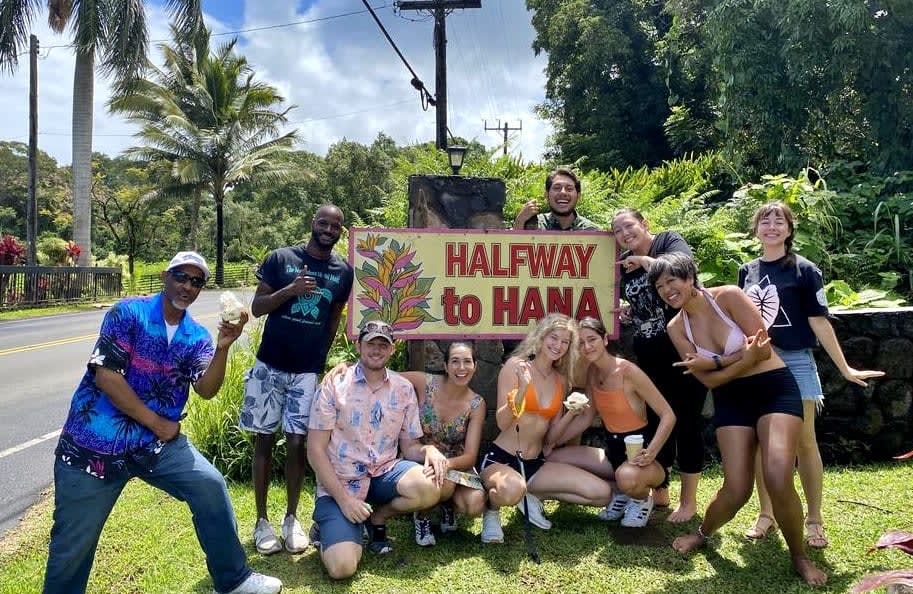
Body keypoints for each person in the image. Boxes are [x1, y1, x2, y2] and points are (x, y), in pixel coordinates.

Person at [44, 252, 281, 594]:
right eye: (181, 277)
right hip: (93, 445)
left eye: (196, 281)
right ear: (165, 276)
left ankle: (233, 580)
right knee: (73, 543)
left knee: (209, 486)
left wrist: (223, 348)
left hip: (154, 446)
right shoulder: (129, 312)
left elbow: (206, 388)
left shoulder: (195, 336)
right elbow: (107, 377)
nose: (187, 286)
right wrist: (157, 422)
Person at [649, 252, 827, 586]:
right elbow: (713, 383)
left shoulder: (728, 296)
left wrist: (716, 363)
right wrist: (736, 361)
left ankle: (799, 556)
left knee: (777, 474)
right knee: (736, 488)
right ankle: (702, 533)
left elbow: (762, 348)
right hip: (731, 399)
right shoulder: (676, 327)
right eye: (659, 286)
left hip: (774, 387)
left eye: (672, 280)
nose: (666, 290)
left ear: (690, 277)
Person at [738, 201, 884, 547]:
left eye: (779, 221)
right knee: (761, 444)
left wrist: (845, 367)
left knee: (804, 442)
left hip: (797, 362)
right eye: (764, 221)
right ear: (756, 229)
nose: (771, 226)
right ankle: (766, 514)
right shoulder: (747, 270)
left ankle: (814, 519)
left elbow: (819, 321)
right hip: (758, 364)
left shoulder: (804, 270)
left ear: (789, 230)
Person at [241, 204, 354, 555]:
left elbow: (333, 320)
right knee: (263, 440)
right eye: (323, 222)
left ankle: (291, 519)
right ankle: (262, 521)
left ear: (340, 231)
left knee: (297, 443)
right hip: (269, 365)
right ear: (312, 223)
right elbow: (258, 308)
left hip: (306, 371)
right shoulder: (280, 258)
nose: (329, 230)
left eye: (336, 226)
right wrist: (290, 290)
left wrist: (320, 362)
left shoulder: (343, 272)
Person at [307, 320, 444, 579]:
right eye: (371, 343)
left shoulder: (403, 389)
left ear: (392, 350)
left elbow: (410, 447)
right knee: (342, 569)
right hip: (341, 483)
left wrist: (429, 451)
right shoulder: (335, 385)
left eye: (384, 345)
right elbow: (315, 450)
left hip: (382, 473)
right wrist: (345, 501)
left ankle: (374, 518)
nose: (377, 350)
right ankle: (330, 527)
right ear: (359, 345)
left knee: (429, 486)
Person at [322, 341, 487, 547]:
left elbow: (470, 456)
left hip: (454, 462)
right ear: (445, 366)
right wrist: (347, 366)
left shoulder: (476, 403)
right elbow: (381, 373)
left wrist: (443, 464)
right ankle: (419, 515)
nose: (461, 368)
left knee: (475, 503)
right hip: (417, 457)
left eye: (467, 362)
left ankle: (446, 506)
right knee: (440, 482)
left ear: (475, 366)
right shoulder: (424, 382)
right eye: (455, 362)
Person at [478, 313, 611, 543]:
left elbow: (550, 438)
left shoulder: (560, 380)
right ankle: (491, 511)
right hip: (502, 459)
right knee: (509, 490)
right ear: (541, 336)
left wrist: (571, 413)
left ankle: (528, 493)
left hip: (535, 464)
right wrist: (522, 390)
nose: (558, 345)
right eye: (554, 337)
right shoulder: (516, 366)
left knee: (601, 494)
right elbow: (503, 422)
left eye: (565, 342)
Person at [611, 207, 706, 522]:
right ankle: (660, 493)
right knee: (653, 421)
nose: (626, 235)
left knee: (687, 422)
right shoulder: (625, 268)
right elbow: (645, 306)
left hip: (683, 350)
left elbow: (683, 275)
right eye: (619, 231)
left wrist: (645, 262)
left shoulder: (668, 242)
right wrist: (629, 312)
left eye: (629, 226)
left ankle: (689, 501)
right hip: (648, 356)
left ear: (644, 224)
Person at [546, 317, 676, 528]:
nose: (587, 347)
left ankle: (641, 500)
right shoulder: (592, 373)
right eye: (580, 342)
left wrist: (651, 452)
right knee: (552, 457)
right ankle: (621, 494)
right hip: (613, 454)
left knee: (626, 475)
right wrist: (554, 439)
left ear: (605, 339)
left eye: (592, 339)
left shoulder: (628, 371)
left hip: (645, 458)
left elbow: (668, 415)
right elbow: (587, 418)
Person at [513, 168, 601, 231]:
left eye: (569, 189)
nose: (563, 192)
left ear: (578, 196)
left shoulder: (592, 231)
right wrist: (519, 221)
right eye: (557, 188)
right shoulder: (532, 226)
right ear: (546, 195)